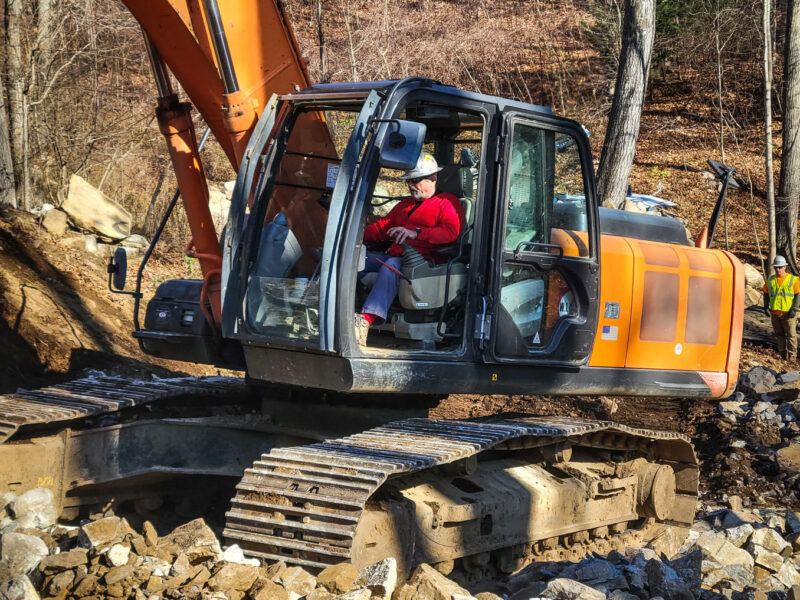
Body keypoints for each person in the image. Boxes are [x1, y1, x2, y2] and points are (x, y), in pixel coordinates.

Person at [355, 152, 465, 345]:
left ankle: (366, 321)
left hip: (427, 265)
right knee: (351, 258)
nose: (410, 185)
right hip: (398, 258)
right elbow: (382, 228)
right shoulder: (405, 205)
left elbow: (451, 233)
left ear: (433, 178)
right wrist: (352, 234)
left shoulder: (447, 203)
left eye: (415, 180)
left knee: (391, 265)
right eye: (408, 181)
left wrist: (417, 233)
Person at [763, 255, 800, 359]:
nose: (778, 269)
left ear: (785, 267)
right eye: (776, 267)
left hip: (788, 314)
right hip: (775, 313)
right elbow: (765, 293)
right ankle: (782, 355)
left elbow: (798, 295)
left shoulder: (793, 280)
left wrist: (794, 309)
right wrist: (766, 306)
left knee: (791, 336)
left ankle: (792, 357)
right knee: (780, 335)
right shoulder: (771, 280)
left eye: (780, 267)